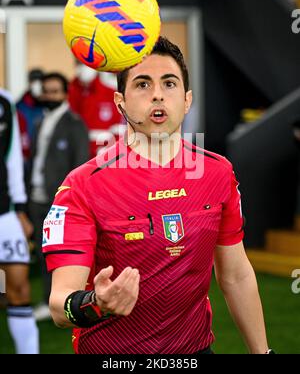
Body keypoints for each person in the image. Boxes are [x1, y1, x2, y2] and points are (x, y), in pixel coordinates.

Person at [43, 37, 273, 354]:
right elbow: (59, 305)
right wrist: (96, 303)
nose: (157, 95)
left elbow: (235, 275)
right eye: (142, 84)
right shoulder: (82, 185)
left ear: (187, 99)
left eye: (169, 83)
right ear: (120, 101)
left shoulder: (218, 173)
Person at [29, 73, 89, 321]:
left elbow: (81, 165)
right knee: (44, 254)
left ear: (65, 94)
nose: (49, 96)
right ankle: (48, 300)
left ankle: (64, 302)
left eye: (54, 91)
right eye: (46, 90)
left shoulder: (74, 124)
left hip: (61, 202)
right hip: (36, 197)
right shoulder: (40, 122)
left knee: (61, 256)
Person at [0, 88, 39, 354]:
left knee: (17, 289)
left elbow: (12, 157)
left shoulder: (4, 101)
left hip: (4, 213)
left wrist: (21, 209)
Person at [69, 62, 126, 157]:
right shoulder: (69, 93)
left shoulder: (110, 94)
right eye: (80, 63)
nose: (85, 67)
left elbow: (118, 129)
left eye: (88, 63)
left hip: (101, 156)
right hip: (73, 156)